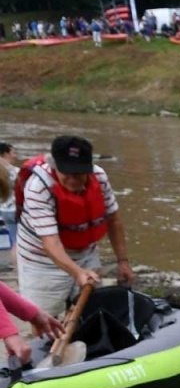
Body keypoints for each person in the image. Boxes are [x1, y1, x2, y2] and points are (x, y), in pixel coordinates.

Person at [13, 136, 135, 318]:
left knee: (91, 310)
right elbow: (50, 243)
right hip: (42, 260)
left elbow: (114, 220)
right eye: (66, 173)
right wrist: (77, 273)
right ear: (54, 166)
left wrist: (123, 262)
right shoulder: (38, 188)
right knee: (44, 317)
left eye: (78, 173)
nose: (72, 180)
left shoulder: (99, 176)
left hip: (85, 252)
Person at [0, 142, 18, 256]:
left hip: (4, 210)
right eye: (13, 152)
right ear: (6, 153)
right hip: (16, 210)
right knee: (19, 244)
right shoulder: (16, 171)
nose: (15, 155)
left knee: (14, 242)